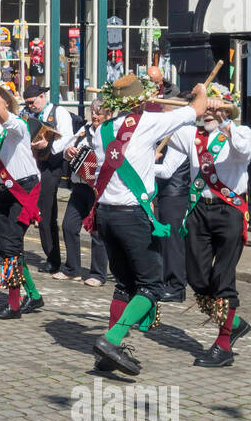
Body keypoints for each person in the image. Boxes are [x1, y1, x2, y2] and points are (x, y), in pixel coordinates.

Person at [88, 74, 212, 376]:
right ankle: (112, 339)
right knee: (151, 286)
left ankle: (108, 355)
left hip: (105, 215)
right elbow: (196, 110)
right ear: (141, 100)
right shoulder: (148, 123)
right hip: (132, 218)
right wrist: (202, 90)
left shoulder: (101, 131)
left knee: (124, 285)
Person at [162, 89, 251, 366]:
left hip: (230, 211)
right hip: (198, 210)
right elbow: (163, 126)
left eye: (216, 110)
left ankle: (223, 346)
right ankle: (234, 323)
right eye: (208, 111)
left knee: (223, 279)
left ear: (227, 111)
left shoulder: (242, 132)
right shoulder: (192, 135)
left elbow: (245, 151)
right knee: (198, 278)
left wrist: (224, 121)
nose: (210, 115)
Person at [0, 80, 46, 320]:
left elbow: (7, 120)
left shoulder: (18, 124)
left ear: (6, 101)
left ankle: (13, 305)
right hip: (3, 191)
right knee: (5, 247)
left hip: (23, 191)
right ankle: (34, 296)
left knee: (12, 247)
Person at [23, 83, 77, 274]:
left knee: (46, 212)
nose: (30, 106)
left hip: (52, 166)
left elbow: (68, 138)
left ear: (42, 97)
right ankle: (46, 254)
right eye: (27, 103)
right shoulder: (28, 115)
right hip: (34, 167)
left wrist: (48, 145)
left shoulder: (59, 112)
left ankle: (53, 259)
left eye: (32, 102)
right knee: (35, 211)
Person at [59, 99, 109, 287]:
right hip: (79, 185)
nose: (94, 118)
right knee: (69, 226)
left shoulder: (110, 133)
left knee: (96, 232)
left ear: (108, 115)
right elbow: (65, 149)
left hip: (98, 188)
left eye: (99, 115)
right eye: (93, 114)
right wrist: (69, 151)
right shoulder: (83, 131)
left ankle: (98, 273)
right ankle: (72, 269)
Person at [153, 90, 197, 302]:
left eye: (166, 108)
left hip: (175, 194)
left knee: (173, 242)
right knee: (163, 240)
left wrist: (145, 165)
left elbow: (168, 170)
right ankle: (164, 281)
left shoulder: (181, 134)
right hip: (165, 194)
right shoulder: (170, 133)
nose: (162, 111)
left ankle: (176, 286)